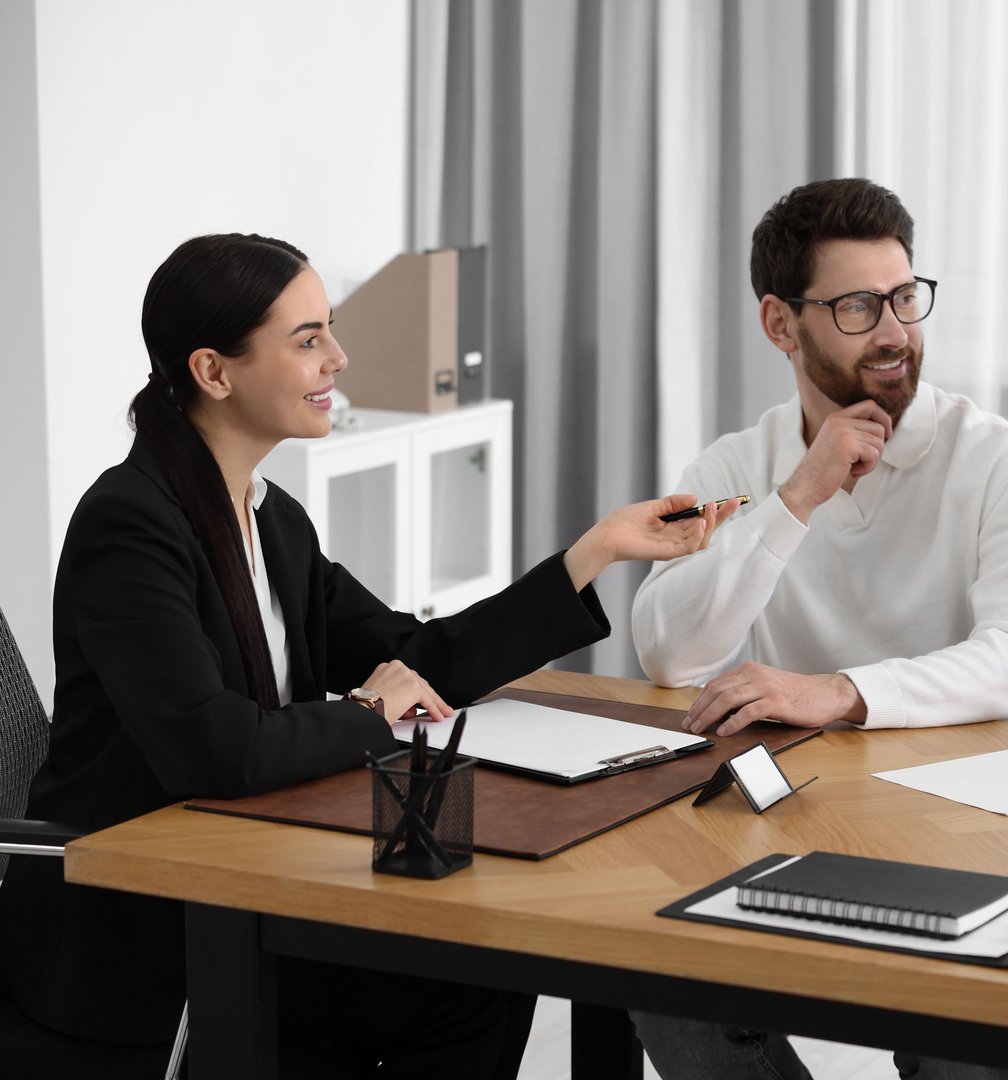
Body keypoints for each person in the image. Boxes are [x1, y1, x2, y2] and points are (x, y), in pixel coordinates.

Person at [0, 233, 730, 1077]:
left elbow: (414, 659)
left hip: (243, 872)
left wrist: (594, 553)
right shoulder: (129, 528)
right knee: (465, 978)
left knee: (482, 969)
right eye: (307, 340)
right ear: (213, 370)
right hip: (146, 927)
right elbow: (215, 745)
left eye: (329, 333)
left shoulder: (272, 521)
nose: (338, 359)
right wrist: (367, 712)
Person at [628, 179, 1008, 1079]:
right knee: (660, 976)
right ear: (780, 325)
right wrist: (796, 498)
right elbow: (670, 652)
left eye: (905, 297)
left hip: (968, 826)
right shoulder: (736, 465)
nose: (896, 332)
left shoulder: (1003, 463)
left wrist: (841, 690)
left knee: (967, 1051)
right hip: (795, 816)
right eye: (859, 306)